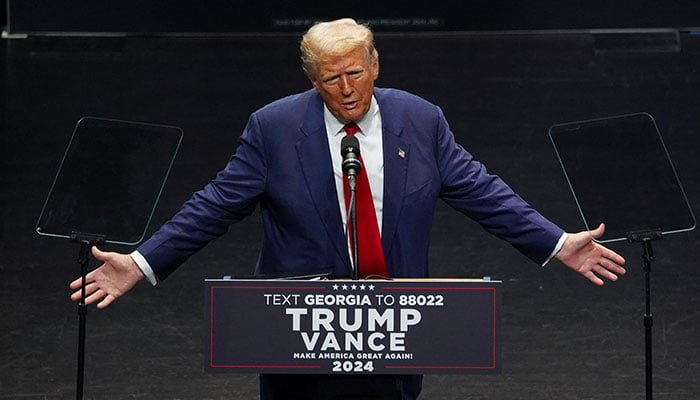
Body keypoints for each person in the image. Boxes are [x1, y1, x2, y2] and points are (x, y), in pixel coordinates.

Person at [70, 18, 626, 400]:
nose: (347, 88)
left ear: (376, 64)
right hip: (300, 329)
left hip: (393, 322)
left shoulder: (421, 120)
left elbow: (483, 191)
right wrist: (140, 263)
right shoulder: (276, 127)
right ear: (313, 81)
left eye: (356, 72)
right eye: (332, 79)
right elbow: (213, 205)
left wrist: (555, 243)